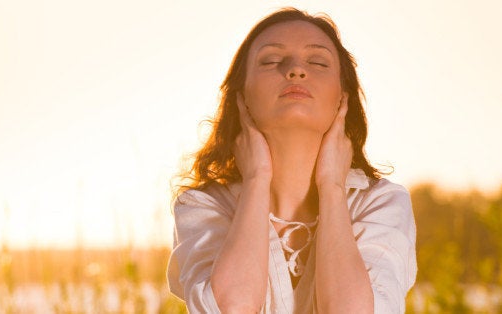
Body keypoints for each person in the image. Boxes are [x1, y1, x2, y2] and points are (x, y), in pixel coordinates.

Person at [167, 7, 417, 314]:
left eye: (317, 62)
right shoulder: (203, 206)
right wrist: (258, 178)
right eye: (271, 60)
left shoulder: (381, 203)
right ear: (241, 96)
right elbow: (230, 309)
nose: (296, 70)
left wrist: (332, 187)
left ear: (343, 97)